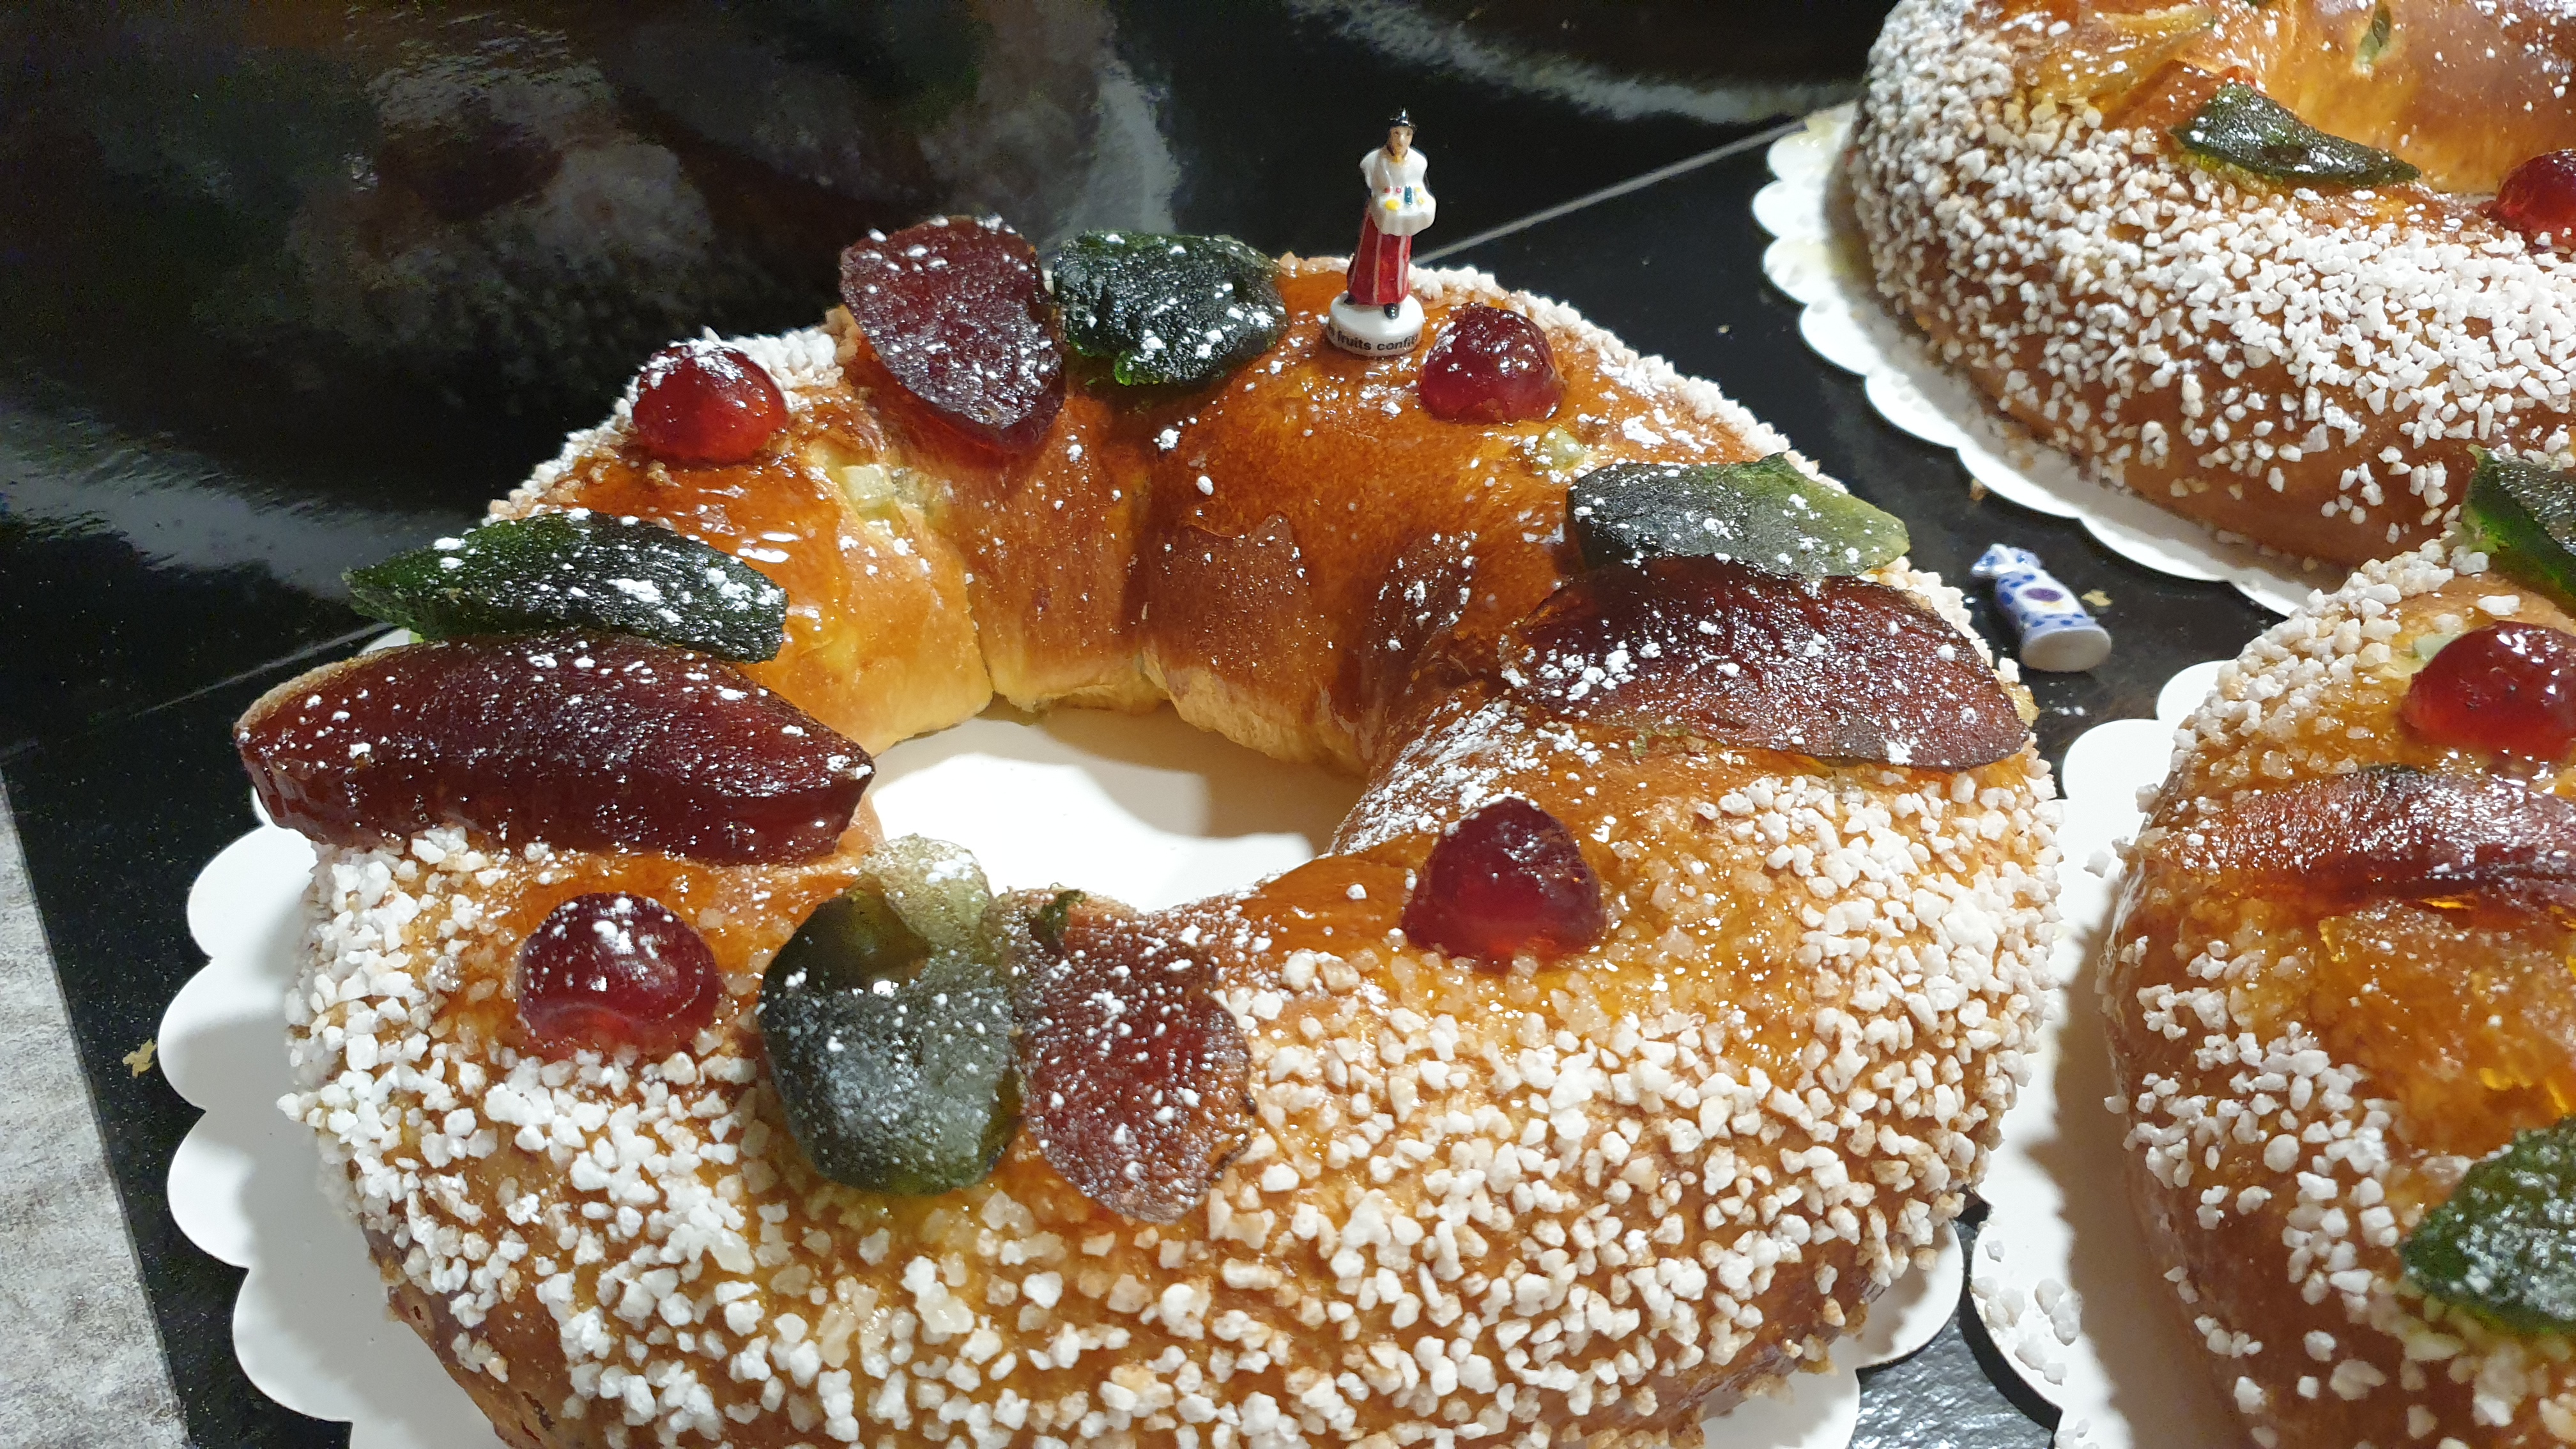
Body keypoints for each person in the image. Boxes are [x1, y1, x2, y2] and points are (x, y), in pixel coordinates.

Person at [1346, 112, 1435, 318]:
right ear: (1389, 135)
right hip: (1376, 219)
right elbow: (1365, 189)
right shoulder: (1374, 161)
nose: (1401, 140)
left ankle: (1392, 299)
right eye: (1397, 133)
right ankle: (1358, 293)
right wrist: (1377, 203)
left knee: (1396, 261)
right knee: (1367, 256)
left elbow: (1421, 186)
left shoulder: (1418, 162)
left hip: (1403, 221)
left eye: (1407, 134)